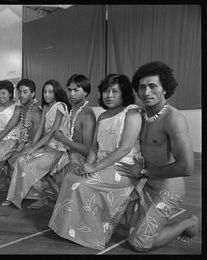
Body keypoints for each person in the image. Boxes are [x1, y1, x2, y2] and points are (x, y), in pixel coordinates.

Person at [48, 74, 143, 250]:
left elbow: (124, 149)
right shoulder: (103, 116)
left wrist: (94, 167)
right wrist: (87, 166)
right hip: (102, 162)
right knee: (71, 178)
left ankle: (90, 234)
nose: (109, 95)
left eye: (115, 91)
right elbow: (94, 147)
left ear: (124, 93)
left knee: (81, 185)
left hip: (124, 167)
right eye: (106, 91)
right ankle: (68, 228)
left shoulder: (132, 113)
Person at [115, 61, 197, 252]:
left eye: (153, 86)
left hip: (168, 188)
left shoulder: (173, 118)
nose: (146, 92)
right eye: (142, 87)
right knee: (120, 221)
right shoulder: (140, 114)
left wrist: (143, 172)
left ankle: (189, 222)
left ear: (165, 90)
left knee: (139, 243)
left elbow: (186, 167)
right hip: (146, 183)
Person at [2, 79, 71, 209]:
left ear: (56, 92)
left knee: (27, 166)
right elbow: (40, 130)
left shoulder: (60, 106)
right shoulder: (45, 107)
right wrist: (32, 147)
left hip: (57, 150)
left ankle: (32, 197)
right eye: (45, 92)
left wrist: (34, 147)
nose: (47, 95)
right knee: (21, 159)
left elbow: (52, 133)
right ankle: (12, 197)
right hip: (46, 147)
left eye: (50, 92)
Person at [48, 74, 96, 196]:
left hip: (80, 160)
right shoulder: (73, 109)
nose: (71, 94)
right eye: (69, 90)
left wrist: (63, 139)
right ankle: (61, 201)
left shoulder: (87, 115)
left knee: (49, 174)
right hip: (68, 153)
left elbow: (88, 150)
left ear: (85, 92)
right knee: (44, 172)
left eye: (76, 90)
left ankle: (64, 203)